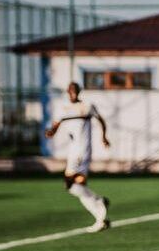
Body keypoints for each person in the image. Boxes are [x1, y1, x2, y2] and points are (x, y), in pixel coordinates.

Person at [45, 82, 111, 233]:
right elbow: (55, 126)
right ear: (68, 92)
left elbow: (100, 120)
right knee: (75, 187)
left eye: (75, 90)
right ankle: (99, 211)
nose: (73, 92)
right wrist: (51, 132)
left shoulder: (87, 106)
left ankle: (99, 208)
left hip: (83, 151)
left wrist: (104, 137)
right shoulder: (63, 108)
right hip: (72, 151)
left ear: (79, 91)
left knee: (73, 184)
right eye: (71, 90)